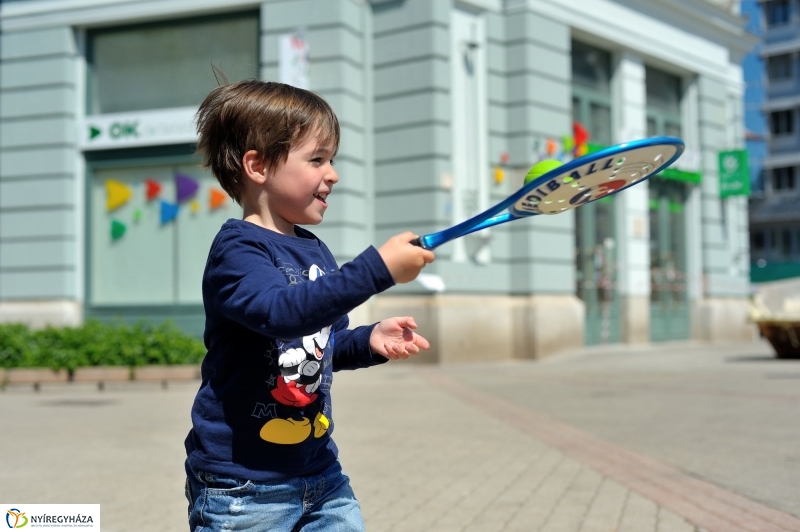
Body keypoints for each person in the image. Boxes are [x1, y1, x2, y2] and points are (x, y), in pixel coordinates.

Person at [183, 79, 436, 532]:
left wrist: (369, 341)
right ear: (258, 166)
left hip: (320, 473)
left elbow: (322, 343)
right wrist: (377, 269)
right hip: (243, 487)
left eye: (332, 159)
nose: (333, 173)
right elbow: (284, 314)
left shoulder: (314, 250)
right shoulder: (238, 251)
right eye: (317, 159)